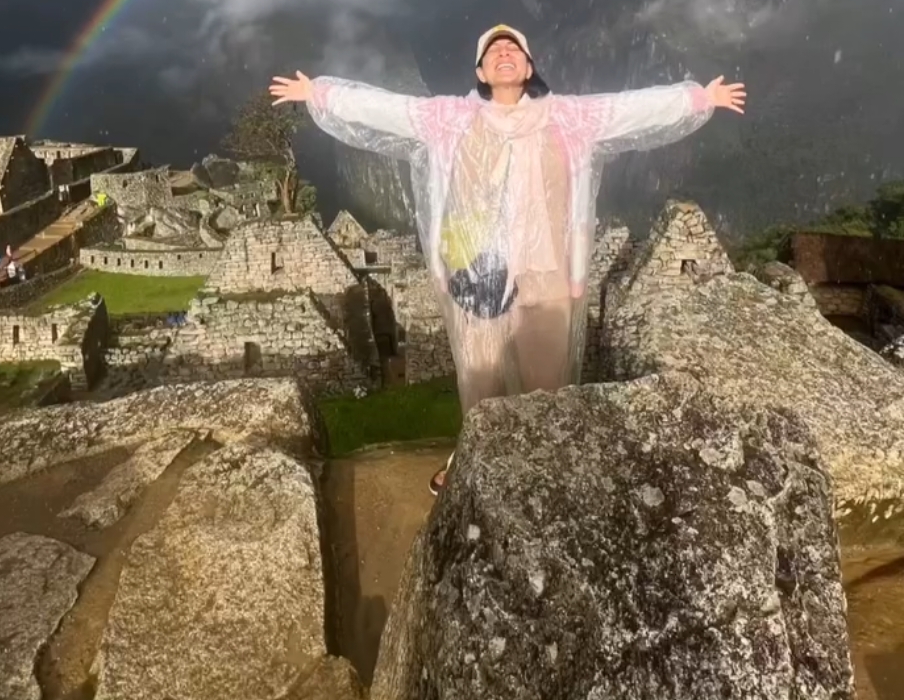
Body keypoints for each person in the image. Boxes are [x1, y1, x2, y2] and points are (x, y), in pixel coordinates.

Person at [270, 25, 746, 495]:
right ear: (480, 71)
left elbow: (630, 109)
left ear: (529, 66)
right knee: (481, 375)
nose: (503, 51)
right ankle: (473, 457)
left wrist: (698, 99)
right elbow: (388, 109)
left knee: (547, 380)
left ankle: (548, 463)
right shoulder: (450, 119)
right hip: (479, 269)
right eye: (493, 49)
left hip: (547, 268)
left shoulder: (567, 118)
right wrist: (321, 93)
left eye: (513, 47)